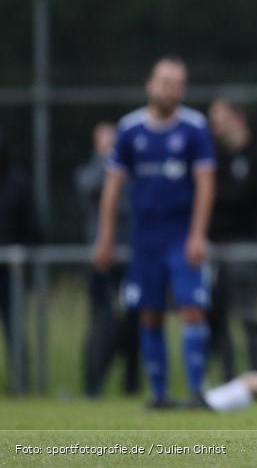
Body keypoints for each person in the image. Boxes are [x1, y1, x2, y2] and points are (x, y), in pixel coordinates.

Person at [93, 57, 216, 409]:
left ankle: (196, 391)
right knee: (149, 311)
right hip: (145, 236)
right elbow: (112, 188)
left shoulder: (194, 127)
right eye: (165, 81)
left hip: (180, 234)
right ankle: (159, 393)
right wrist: (105, 238)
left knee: (192, 307)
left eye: (178, 83)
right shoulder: (130, 129)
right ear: (150, 84)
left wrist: (197, 235)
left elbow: (205, 185)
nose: (170, 89)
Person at [75, 122, 140, 397]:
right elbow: (87, 187)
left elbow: (131, 203)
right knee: (100, 324)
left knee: (134, 321)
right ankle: (93, 384)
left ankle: (131, 383)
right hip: (102, 263)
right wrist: (106, 160)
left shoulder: (133, 169)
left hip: (130, 259)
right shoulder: (92, 169)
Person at [207, 98, 257, 379]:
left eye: (219, 119)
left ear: (236, 117)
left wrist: (219, 196)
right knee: (217, 314)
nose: (214, 126)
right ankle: (228, 376)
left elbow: (245, 196)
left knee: (248, 314)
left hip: (244, 246)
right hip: (214, 248)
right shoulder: (214, 157)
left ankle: (256, 374)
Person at [0, 128, 40, 392]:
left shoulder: (18, 182)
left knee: (14, 328)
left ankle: (20, 385)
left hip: (10, 271)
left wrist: (24, 255)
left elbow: (35, 228)